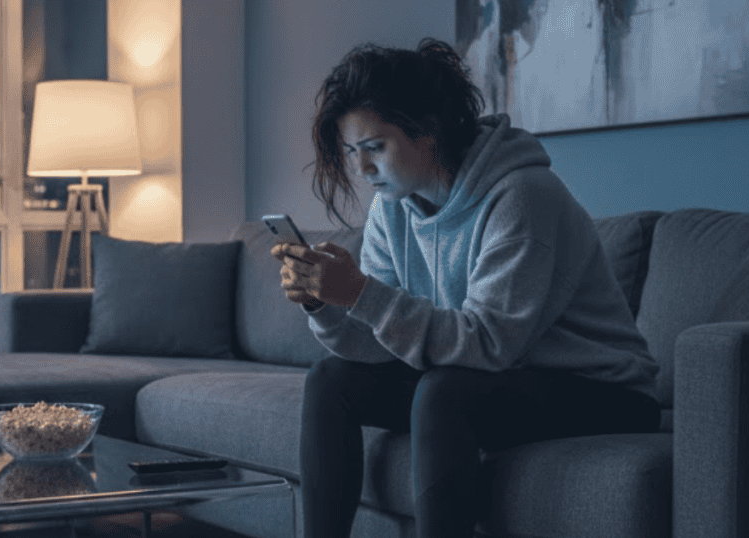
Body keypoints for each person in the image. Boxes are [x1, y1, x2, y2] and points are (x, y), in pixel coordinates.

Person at [270, 37, 661, 538]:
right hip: (494, 379)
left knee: (442, 392)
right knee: (330, 380)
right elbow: (381, 342)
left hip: (604, 391)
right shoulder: (392, 208)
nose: (363, 169)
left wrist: (363, 294)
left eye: (375, 148)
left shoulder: (522, 196)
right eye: (352, 153)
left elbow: (490, 344)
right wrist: (326, 303)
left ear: (429, 130)